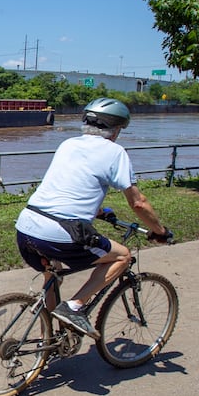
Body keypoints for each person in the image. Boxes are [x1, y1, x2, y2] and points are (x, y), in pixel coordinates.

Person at [15, 98, 173, 339]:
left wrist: (98, 212)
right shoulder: (115, 152)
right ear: (116, 128)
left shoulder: (68, 144)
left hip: (27, 225)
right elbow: (138, 203)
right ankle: (75, 306)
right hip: (61, 231)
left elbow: (71, 186)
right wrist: (159, 231)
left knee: (52, 274)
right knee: (122, 255)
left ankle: (50, 341)